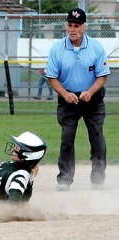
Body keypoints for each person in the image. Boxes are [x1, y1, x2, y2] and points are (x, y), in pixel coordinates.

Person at [46, 8, 110, 191]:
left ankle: (98, 180)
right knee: (67, 138)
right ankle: (64, 179)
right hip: (68, 99)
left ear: (84, 27)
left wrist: (90, 91)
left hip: (93, 99)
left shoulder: (96, 47)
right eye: (70, 25)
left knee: (97, 137)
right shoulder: (57, 49)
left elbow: (102, 76)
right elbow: (52, 77)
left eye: (77, 25)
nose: (72, 29)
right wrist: (65, 94)